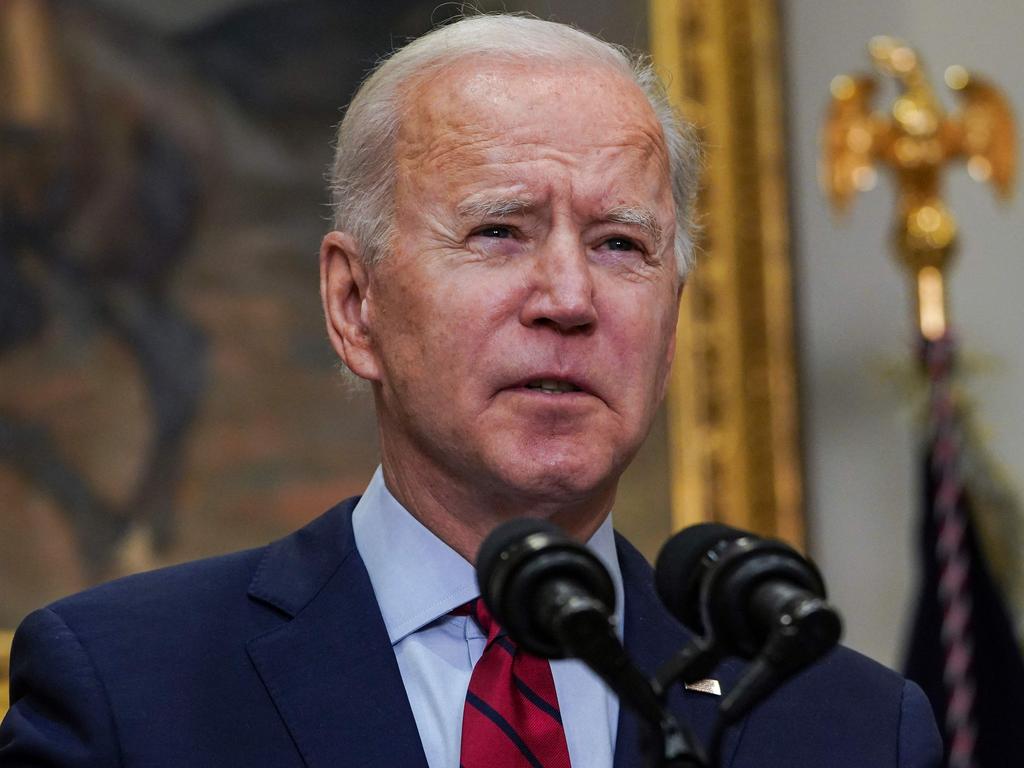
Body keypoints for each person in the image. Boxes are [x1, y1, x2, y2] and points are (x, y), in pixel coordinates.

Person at [0, 14, 941, 768]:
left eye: (621, 244)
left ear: (671, 320)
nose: (570, 299)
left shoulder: (848, 727)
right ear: (353, 303)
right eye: (499, 231)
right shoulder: (127, 691)